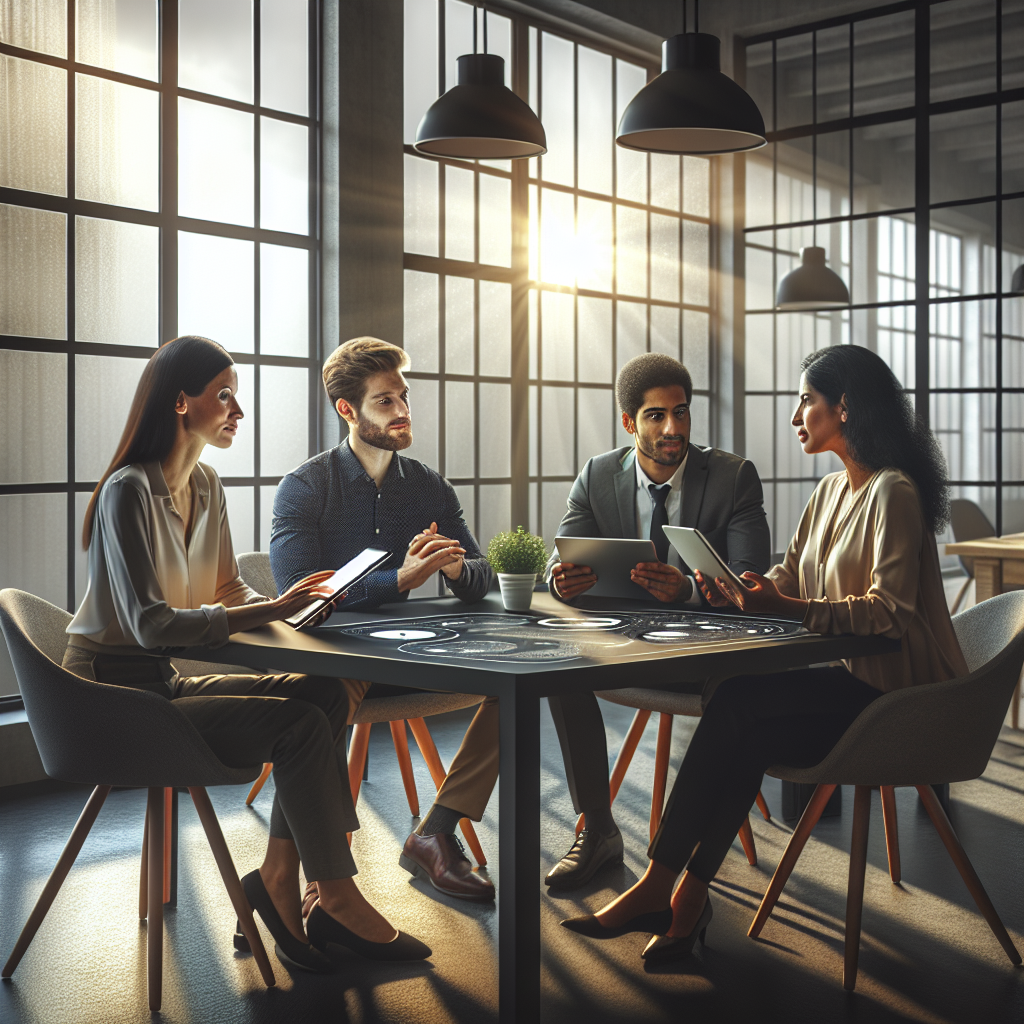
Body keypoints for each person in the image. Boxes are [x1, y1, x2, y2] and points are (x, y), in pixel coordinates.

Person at [561, 343, 969, 962]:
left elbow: (888, 617)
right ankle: (684, 896)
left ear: (846, 408)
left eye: (806, 399)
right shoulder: (833, 489)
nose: (796, 413)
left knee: (739, 706)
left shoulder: (894, 494)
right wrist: (747, 587)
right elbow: (791, 575)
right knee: (739, 710)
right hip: (852, 680)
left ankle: (659, 886)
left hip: (899, 697)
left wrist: (786, 607)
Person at [64, 335, 431, 975]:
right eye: (225, 395)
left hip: (161, 684)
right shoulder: (128, 491)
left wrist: (299, 610)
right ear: (181, 402)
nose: (239, 410)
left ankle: (279, 877)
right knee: (297, 723)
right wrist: (273, 610)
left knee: (321, 690)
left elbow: (228, 590)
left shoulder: (205, 483)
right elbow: (151, 625)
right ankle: (336, 894)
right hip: (105, 697)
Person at [271, 336, 497, 903]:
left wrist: (450, 568)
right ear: (347, 410)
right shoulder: (306, 487)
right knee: (317, 695)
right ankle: (320, 878)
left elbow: (480, 574)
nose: (402, 412)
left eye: (403, 397)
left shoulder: (428, 486)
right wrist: (399, 579)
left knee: (517, 682)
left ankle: (436, 832)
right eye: (384, 402)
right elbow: (298, 598)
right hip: (340, 663)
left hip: (414, 654)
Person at [543, 352, 770, 891]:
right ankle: (597, 829)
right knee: (555, 667)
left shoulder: (734, 477)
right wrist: (560, 579)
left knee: (741, 698)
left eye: (682, 413)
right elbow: (563, 555)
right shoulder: (598, 474)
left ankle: (689, 869)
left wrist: (689, 589)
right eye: (656, 416)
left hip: (704, 651)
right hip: (625, 646)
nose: (674, 429)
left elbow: (751, 583)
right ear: (629, 423)